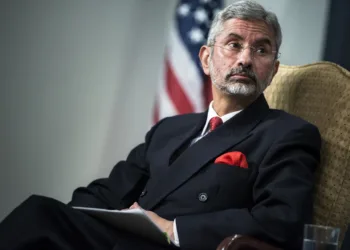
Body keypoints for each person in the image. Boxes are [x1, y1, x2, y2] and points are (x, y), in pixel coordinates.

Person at [0, 1, 321, 250]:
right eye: (234, 44)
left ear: (273, 69)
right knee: (42, 214)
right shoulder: (170, 129)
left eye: (261, 49)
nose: (245, 59)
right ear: (207, 59)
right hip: (118, 239)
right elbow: (109, 192)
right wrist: (74, 217)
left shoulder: (288, 134)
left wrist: (172, 228)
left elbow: (282, 221)